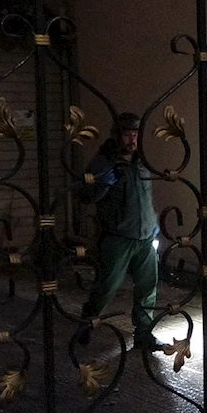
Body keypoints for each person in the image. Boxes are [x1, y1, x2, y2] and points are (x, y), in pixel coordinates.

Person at [75, 112, 161, 351]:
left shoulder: (143, 162)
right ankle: (87, 322)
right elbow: (84, 195)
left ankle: (143, 334)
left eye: (136, 134)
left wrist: (153, 222)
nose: (132, 140)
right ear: (116, 136)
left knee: (147, 288)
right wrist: (103, 183)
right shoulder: (103, 162)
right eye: (127, 134)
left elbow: (147, 196)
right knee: (106, 287)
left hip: (145, 236)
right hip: (117, 238)